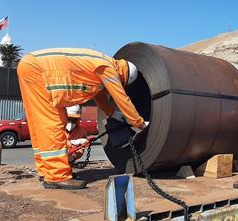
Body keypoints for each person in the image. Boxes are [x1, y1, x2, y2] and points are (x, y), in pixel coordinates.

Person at [17, 48, 149, 189]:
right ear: (124, 75)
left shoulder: (100, 65)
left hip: (31, 67)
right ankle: (57, 176)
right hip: (39, 71)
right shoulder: (109, 68)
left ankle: (46, 171)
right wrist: (139, 122)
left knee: (40, 124)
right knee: (52, 124)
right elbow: (122, 98)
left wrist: (113, 114)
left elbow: (98, 95)